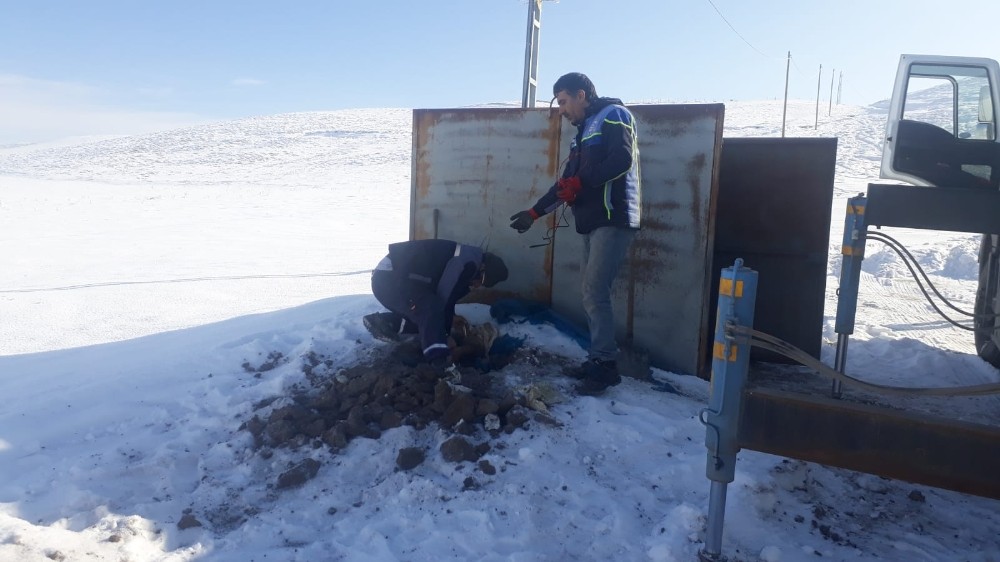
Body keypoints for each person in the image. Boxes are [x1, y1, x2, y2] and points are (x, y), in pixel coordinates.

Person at [509, 72, 641, 396]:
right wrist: (534, 213)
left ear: (581, 95)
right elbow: (566, 183)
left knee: (595, 291)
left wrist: (583, 182)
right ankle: (599, 358)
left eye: (564, 102)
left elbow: (622, 159)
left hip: (614, 216)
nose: (562, 110)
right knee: (590, 291)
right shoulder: (581, 135)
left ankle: (606, 366)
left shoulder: (614, 115)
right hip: (593, 220)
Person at [363, 239, 508, 364]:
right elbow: (442, 299)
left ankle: (384, 322)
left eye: (482, 285)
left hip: (399, 280)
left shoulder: (469, 266)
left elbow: (448, 302)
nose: (477, 285)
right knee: (430, 310)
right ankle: (437, 360)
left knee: (428, 320)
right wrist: (445, 337)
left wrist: (449, 322)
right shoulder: (466, 261)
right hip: (390, 278)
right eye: (482, 280)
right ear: (483, 267)